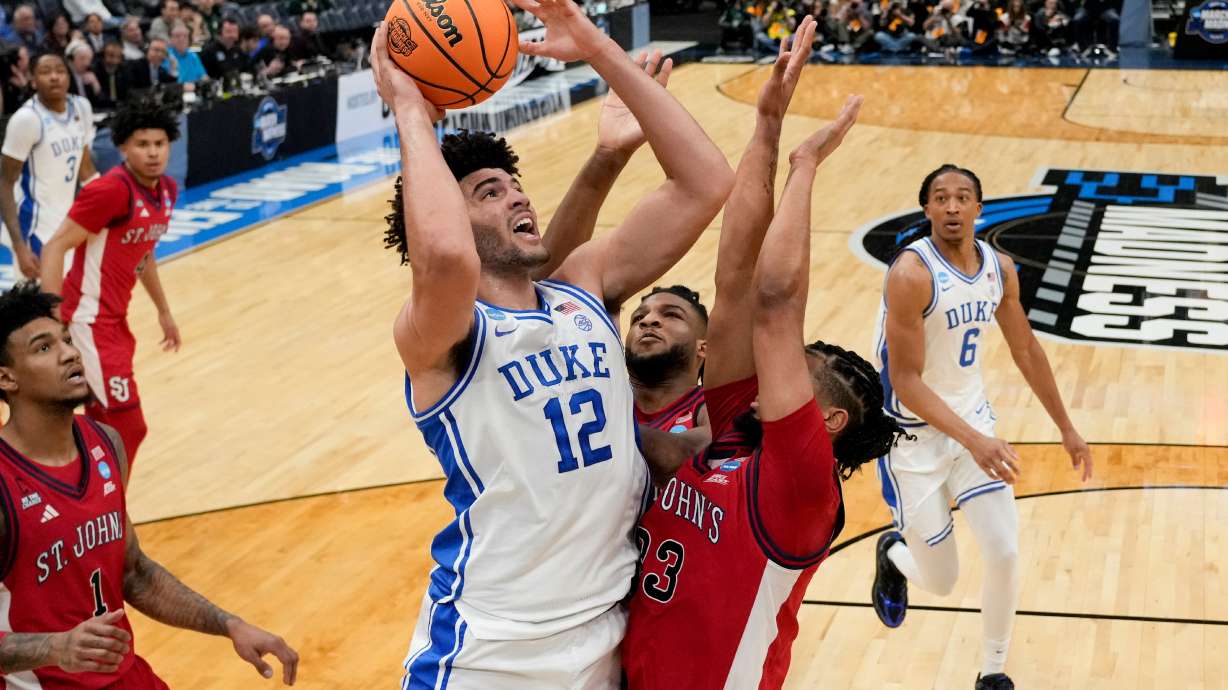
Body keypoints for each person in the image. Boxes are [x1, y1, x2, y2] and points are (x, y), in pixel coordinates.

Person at [372, 0, 735, 680]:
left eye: (516, 185)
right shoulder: (442, 335)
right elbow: (447, 259)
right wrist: (410, 110)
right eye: (488, 192)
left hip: (607, 631)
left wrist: (599, 50)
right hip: (490, 650)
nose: (518, 198)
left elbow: (706, 183)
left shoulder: (583, 288)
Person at [623, 27, 901, 689]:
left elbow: (776, 302)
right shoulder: (729, 435)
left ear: (826, 421)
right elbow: (737, 275)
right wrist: (767, 126)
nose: (766, 376)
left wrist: (804, 165)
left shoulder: (802, 489)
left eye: (793, 377)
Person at [0, 281, 300, 687]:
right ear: (7, 379)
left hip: (128, 678)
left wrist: (229, 624)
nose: (70, 352)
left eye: (67, 339)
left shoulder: (105, 444)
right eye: (43, 348)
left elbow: (134, 573)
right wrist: (55, 648)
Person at [870, 164, 1094, 690]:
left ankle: (992, 672)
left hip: (973, 425)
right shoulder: (910, 274)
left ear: (979, 208)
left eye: (963, 197)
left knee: (1005, 551)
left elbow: (1025, 348)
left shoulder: (1000, 268)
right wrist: (976, 440)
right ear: (926, 209)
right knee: (943, 581)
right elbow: (905, 381)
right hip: (912, 438)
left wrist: (1066, 426)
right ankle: (895, 557)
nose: (952, 206)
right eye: (941, 198)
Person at [37, 98, 184, 469]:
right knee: (127, 427)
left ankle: (88, 505)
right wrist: (51, 317)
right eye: (142, 144)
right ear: (123, 148)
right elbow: (56, 246)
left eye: (159, 143)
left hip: (116, 322)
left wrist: (164, 311)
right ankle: (109, 516)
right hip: (87, 320)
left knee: (103, 424)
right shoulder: (111, 190)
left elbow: (144, 254)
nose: (152, 153)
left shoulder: (166, 189)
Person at [0, 53, 96, 282]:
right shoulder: (27, 119)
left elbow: (86, 170)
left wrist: (106, 210)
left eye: (60, 70)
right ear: (33, 80)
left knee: (70, 301)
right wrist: (19, 246)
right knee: (40, 309)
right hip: (33, 227)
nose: (54, 77)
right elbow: (5, 183)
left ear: (69, 76)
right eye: (45, 72)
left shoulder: (81, 108)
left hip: (67, 221)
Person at [626, 285, 709, 448]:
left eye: (672, 314)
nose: (647, 320)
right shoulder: (602, 402)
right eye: (637, 318)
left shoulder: (713, 407)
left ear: (702, 348)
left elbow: (700, 447)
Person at [90, 40, 130, 110]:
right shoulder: (95, 71)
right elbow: (97, 98)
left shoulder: (124, 69)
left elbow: (128, 93)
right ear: (103, 56)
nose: (115, 61)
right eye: (111, 56)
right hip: (100, 109)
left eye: (119, 57)